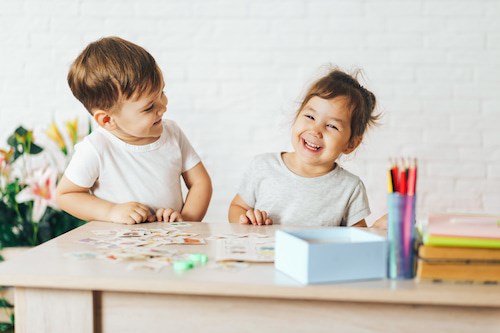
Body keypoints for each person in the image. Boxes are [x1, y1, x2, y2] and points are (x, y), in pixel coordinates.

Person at [56, 37, 212, 225]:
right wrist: (111, 211)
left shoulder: (172, 134)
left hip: (170, 243)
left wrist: (186, 220)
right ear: (107, 120)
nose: (163, 106)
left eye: (162, 93)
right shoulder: (97, 148)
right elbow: (66, 195)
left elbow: (200, 183)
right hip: (116, 249)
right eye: (148, 107)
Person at [228, 68, 379, 227]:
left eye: (331, 126)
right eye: (310, 117)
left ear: (351, 144)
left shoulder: (349, 188)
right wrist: (246, 219)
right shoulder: (263, 166)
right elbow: (237, 207)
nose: (315, 130)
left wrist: (377, 229)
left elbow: (359, 238)